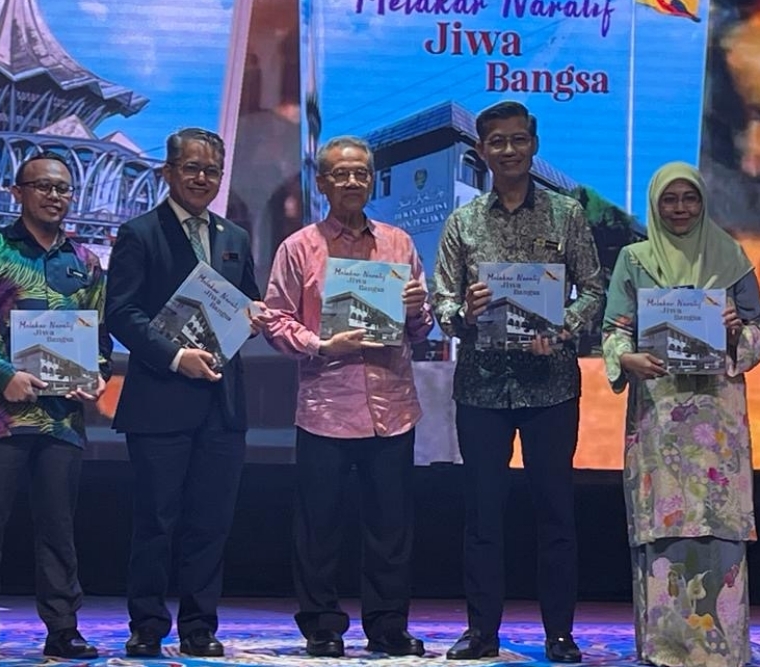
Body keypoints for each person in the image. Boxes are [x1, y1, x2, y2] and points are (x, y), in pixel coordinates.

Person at [432, 101, 603, 663]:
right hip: (481, 386)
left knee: (555, 511)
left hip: (550, 385)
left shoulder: (566, 215)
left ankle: (560, 633)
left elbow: (594, 292)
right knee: (482, 514)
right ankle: (482, 631)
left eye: (517, 140)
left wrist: (565, 327)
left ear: (533, 144)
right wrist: (466, 313)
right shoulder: (463, 222)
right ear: (480, 151)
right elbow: (442, 301)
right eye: (496, 142)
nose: (508, 150)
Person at [263, 135, 433, 659]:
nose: (353, 181)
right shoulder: (299, 247)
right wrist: (319, 344)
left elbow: (422, 330)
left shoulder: (399, 244)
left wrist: (415, 308)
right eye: (341, 174)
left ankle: (387, 626)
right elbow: (274, 318)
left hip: (392, 407)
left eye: (361, 172)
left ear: (372, 178)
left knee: (390, 530)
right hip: (326, 407)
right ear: (322, 182)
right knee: (319, 529)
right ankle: (321, 626)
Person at [105, 128, 266, 659]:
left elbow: (249, 303)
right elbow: (122, 313)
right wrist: (176, 356)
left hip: (223, 405)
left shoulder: (235, 238)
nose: (202, 178)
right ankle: (147, 625)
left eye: (211, 171)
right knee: (156, 521)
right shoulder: (139, 233)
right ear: (168, 173)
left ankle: (200, 625)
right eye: (191, 168)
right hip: (159, 400)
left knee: (211, 524)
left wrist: (256, 317)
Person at [602, 162, 760, 667]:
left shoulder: (731, 257)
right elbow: (613, 329)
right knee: (665, 529)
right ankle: (667, 650)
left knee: (717, 528)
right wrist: (624, 357)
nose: (679, 209)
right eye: (668, 200)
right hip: (659, 415)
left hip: (717, 420)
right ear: (655, 205)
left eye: (689, 198)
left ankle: (721, 650)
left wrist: (738, 329)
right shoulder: (634, 259)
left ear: (701, 202)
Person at [0, 152, 111, 663]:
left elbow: (99, 332)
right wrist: (6, 376)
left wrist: (97, 371)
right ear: (17, 192)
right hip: (1, 416)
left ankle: (63, 630)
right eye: (43, 186)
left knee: (58, 528)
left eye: (63, 189)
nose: (55, 196)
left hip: (62, 419)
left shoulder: (84, 262)